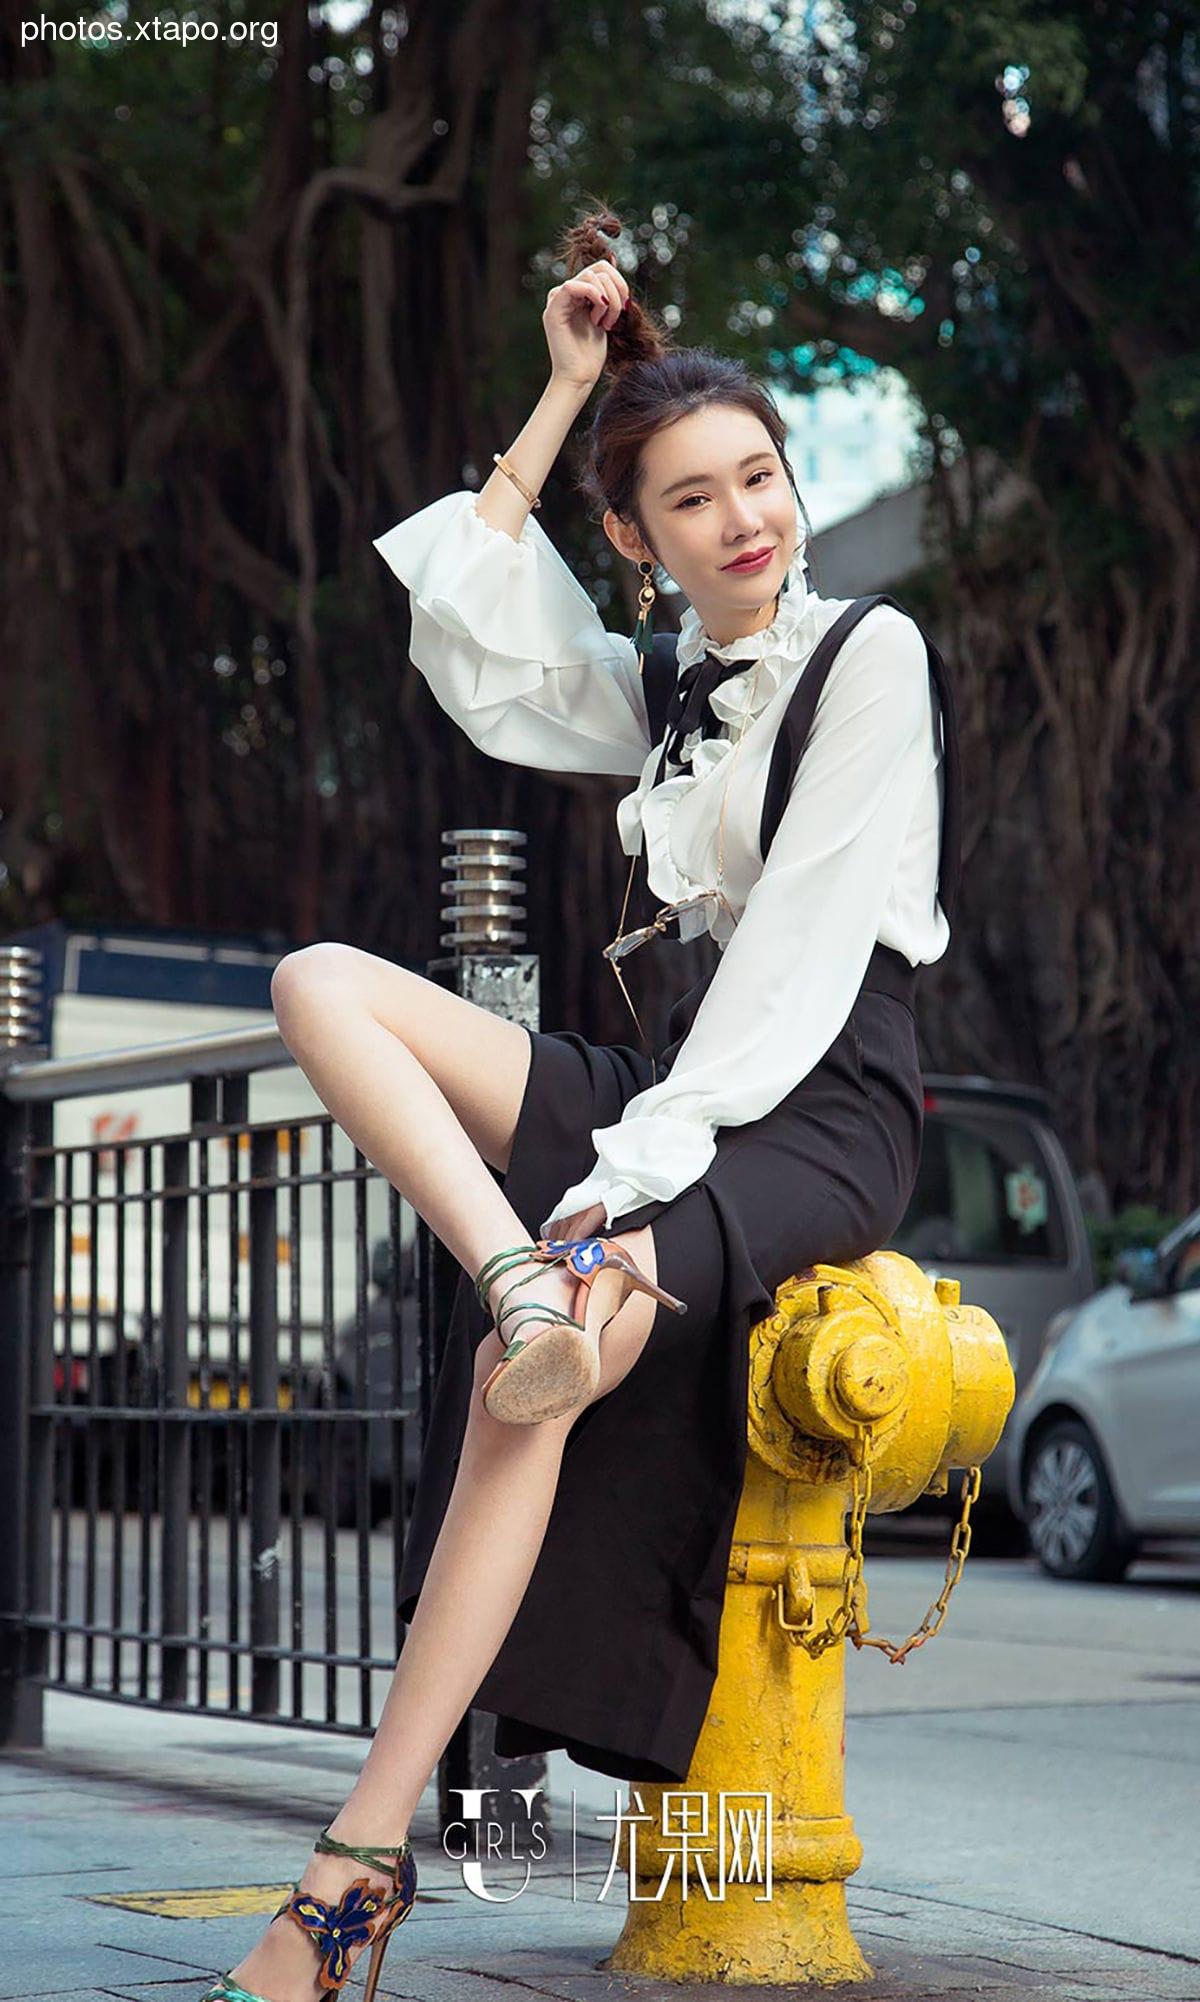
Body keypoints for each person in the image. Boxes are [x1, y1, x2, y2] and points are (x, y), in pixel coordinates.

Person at [200, 204, 959, 2002]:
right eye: (691, 499)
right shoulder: (671, 680)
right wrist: (559, 395)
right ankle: (513, 1279)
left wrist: (616, 1192)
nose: (746, 518)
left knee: (519, 1409)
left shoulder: (872, 658)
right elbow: (476, 639)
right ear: (636, 538)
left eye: (759, 476)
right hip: (688, 1079)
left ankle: (350, 1878)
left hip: (817, 1099)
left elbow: (786, 995)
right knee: (321, 980)